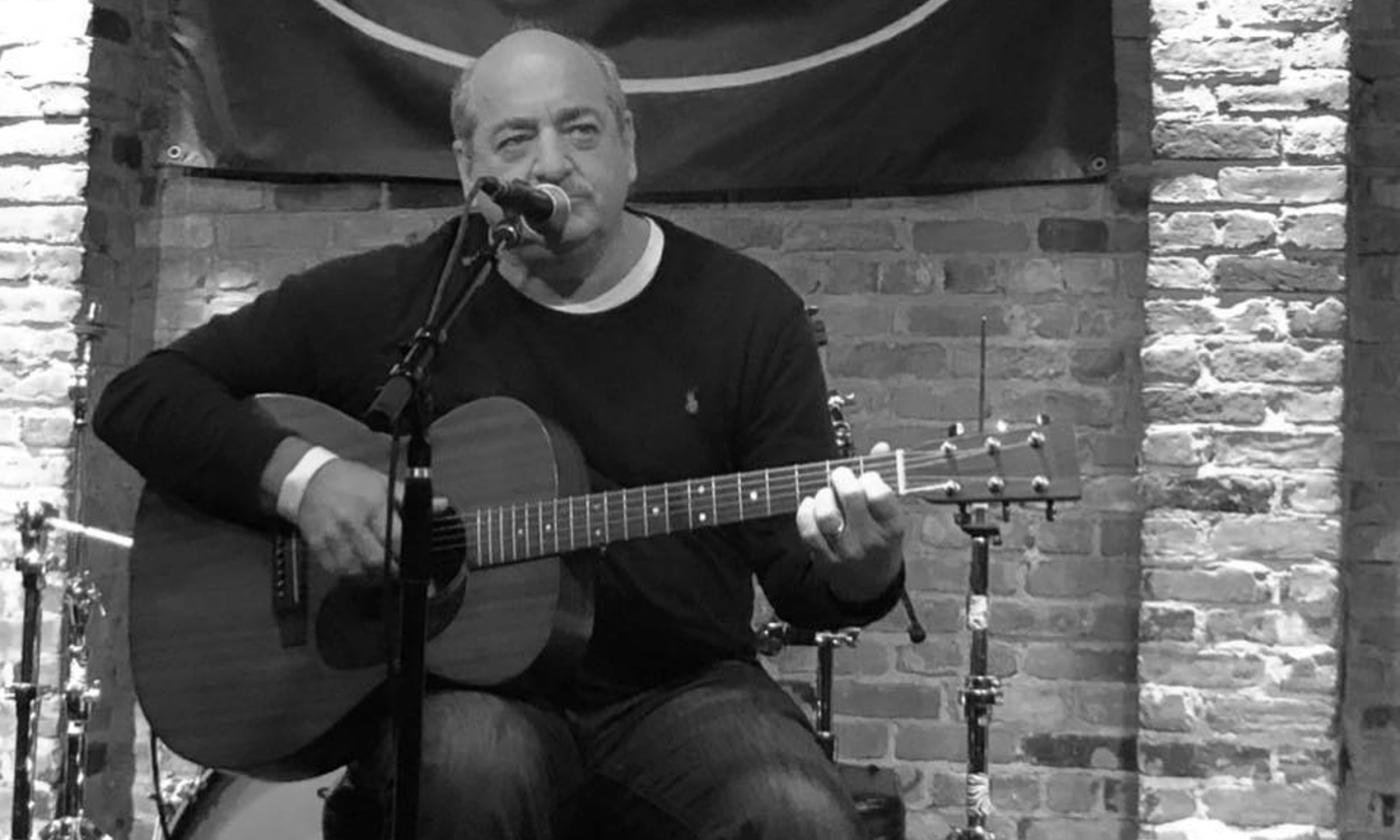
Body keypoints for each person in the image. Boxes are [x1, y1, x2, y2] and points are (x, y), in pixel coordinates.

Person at [94, 27, 907, 840]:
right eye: (515, 139)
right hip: (468, 698)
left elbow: (802, 576)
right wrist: (303, 481)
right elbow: (141, 396)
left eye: (580, 129)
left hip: (681, 688)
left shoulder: (744, 314)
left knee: (795, 814)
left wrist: (865, 569)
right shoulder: (403, 300)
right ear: (466, 168)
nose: (549, 163)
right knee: (468, 770)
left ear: (629, 146)